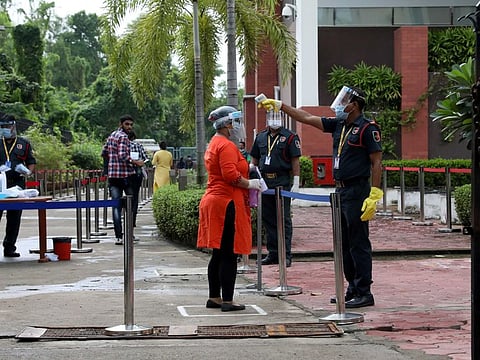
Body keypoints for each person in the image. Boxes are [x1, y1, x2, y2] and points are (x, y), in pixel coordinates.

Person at [258, 86, 383, 308]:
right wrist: (281, 106)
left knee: (358, 242)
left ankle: (365, 291)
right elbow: (306, 117)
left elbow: (376, 162)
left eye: (345, 101)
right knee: (343, 243)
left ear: (354, 105)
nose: (340, 105)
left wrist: (374, 193)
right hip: (341, 191)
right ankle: (352, 287)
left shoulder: (366, 128)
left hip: (357, 190)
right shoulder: (339, 125)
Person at [197, 105, 262, 312]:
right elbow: (230, 175)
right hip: (226, 203)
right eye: (235, 122)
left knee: (218, 253)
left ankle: (214, 297)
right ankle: (227, 300)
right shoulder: (226, 145)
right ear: (226, 124)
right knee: (228, 253)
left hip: (215, 201)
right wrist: (250, 183)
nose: (237, 126)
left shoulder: (215, 143)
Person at [249, 111, 301, 268]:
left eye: (277, 117)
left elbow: (295, 161)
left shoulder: (290, 137)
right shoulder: (261, 137)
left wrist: (296, 182)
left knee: (283, 219)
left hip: (281, 181)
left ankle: (286, 255)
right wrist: (253, 175)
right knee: (268, 218)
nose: (274, 120)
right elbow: (255, 160)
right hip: (264, 182)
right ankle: (273, 253)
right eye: (272, 117)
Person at [103, 114, 144, 245]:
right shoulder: (123, 137)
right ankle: (129, 234)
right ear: (121, 124)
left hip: (113, 177)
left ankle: (119, 236)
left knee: (116, 206)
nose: (129, 127)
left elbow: (104, 152)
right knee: (131, 205)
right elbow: (122, 155)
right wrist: (135, 162)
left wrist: (108, 166)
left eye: (131, 125)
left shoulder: (111, 136)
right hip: (125, 176)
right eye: (127, 124)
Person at [0, 114, 36, 257]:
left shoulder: (24, 144)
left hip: (17, 186)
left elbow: (31, 162)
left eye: (7, 127)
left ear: (14, 127)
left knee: (14, 218)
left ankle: (9, 247)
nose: (5, 130)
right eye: (2, 127)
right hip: (0, 184)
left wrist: (28, 172)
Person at [128, 131, 149, 230]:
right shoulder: (138, 145)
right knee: (135, 197)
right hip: (137, 173)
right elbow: (145, 159)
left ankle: (125, 218)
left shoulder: (122, 146)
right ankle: (133, 220)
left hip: (124, 174)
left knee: (126, 197)